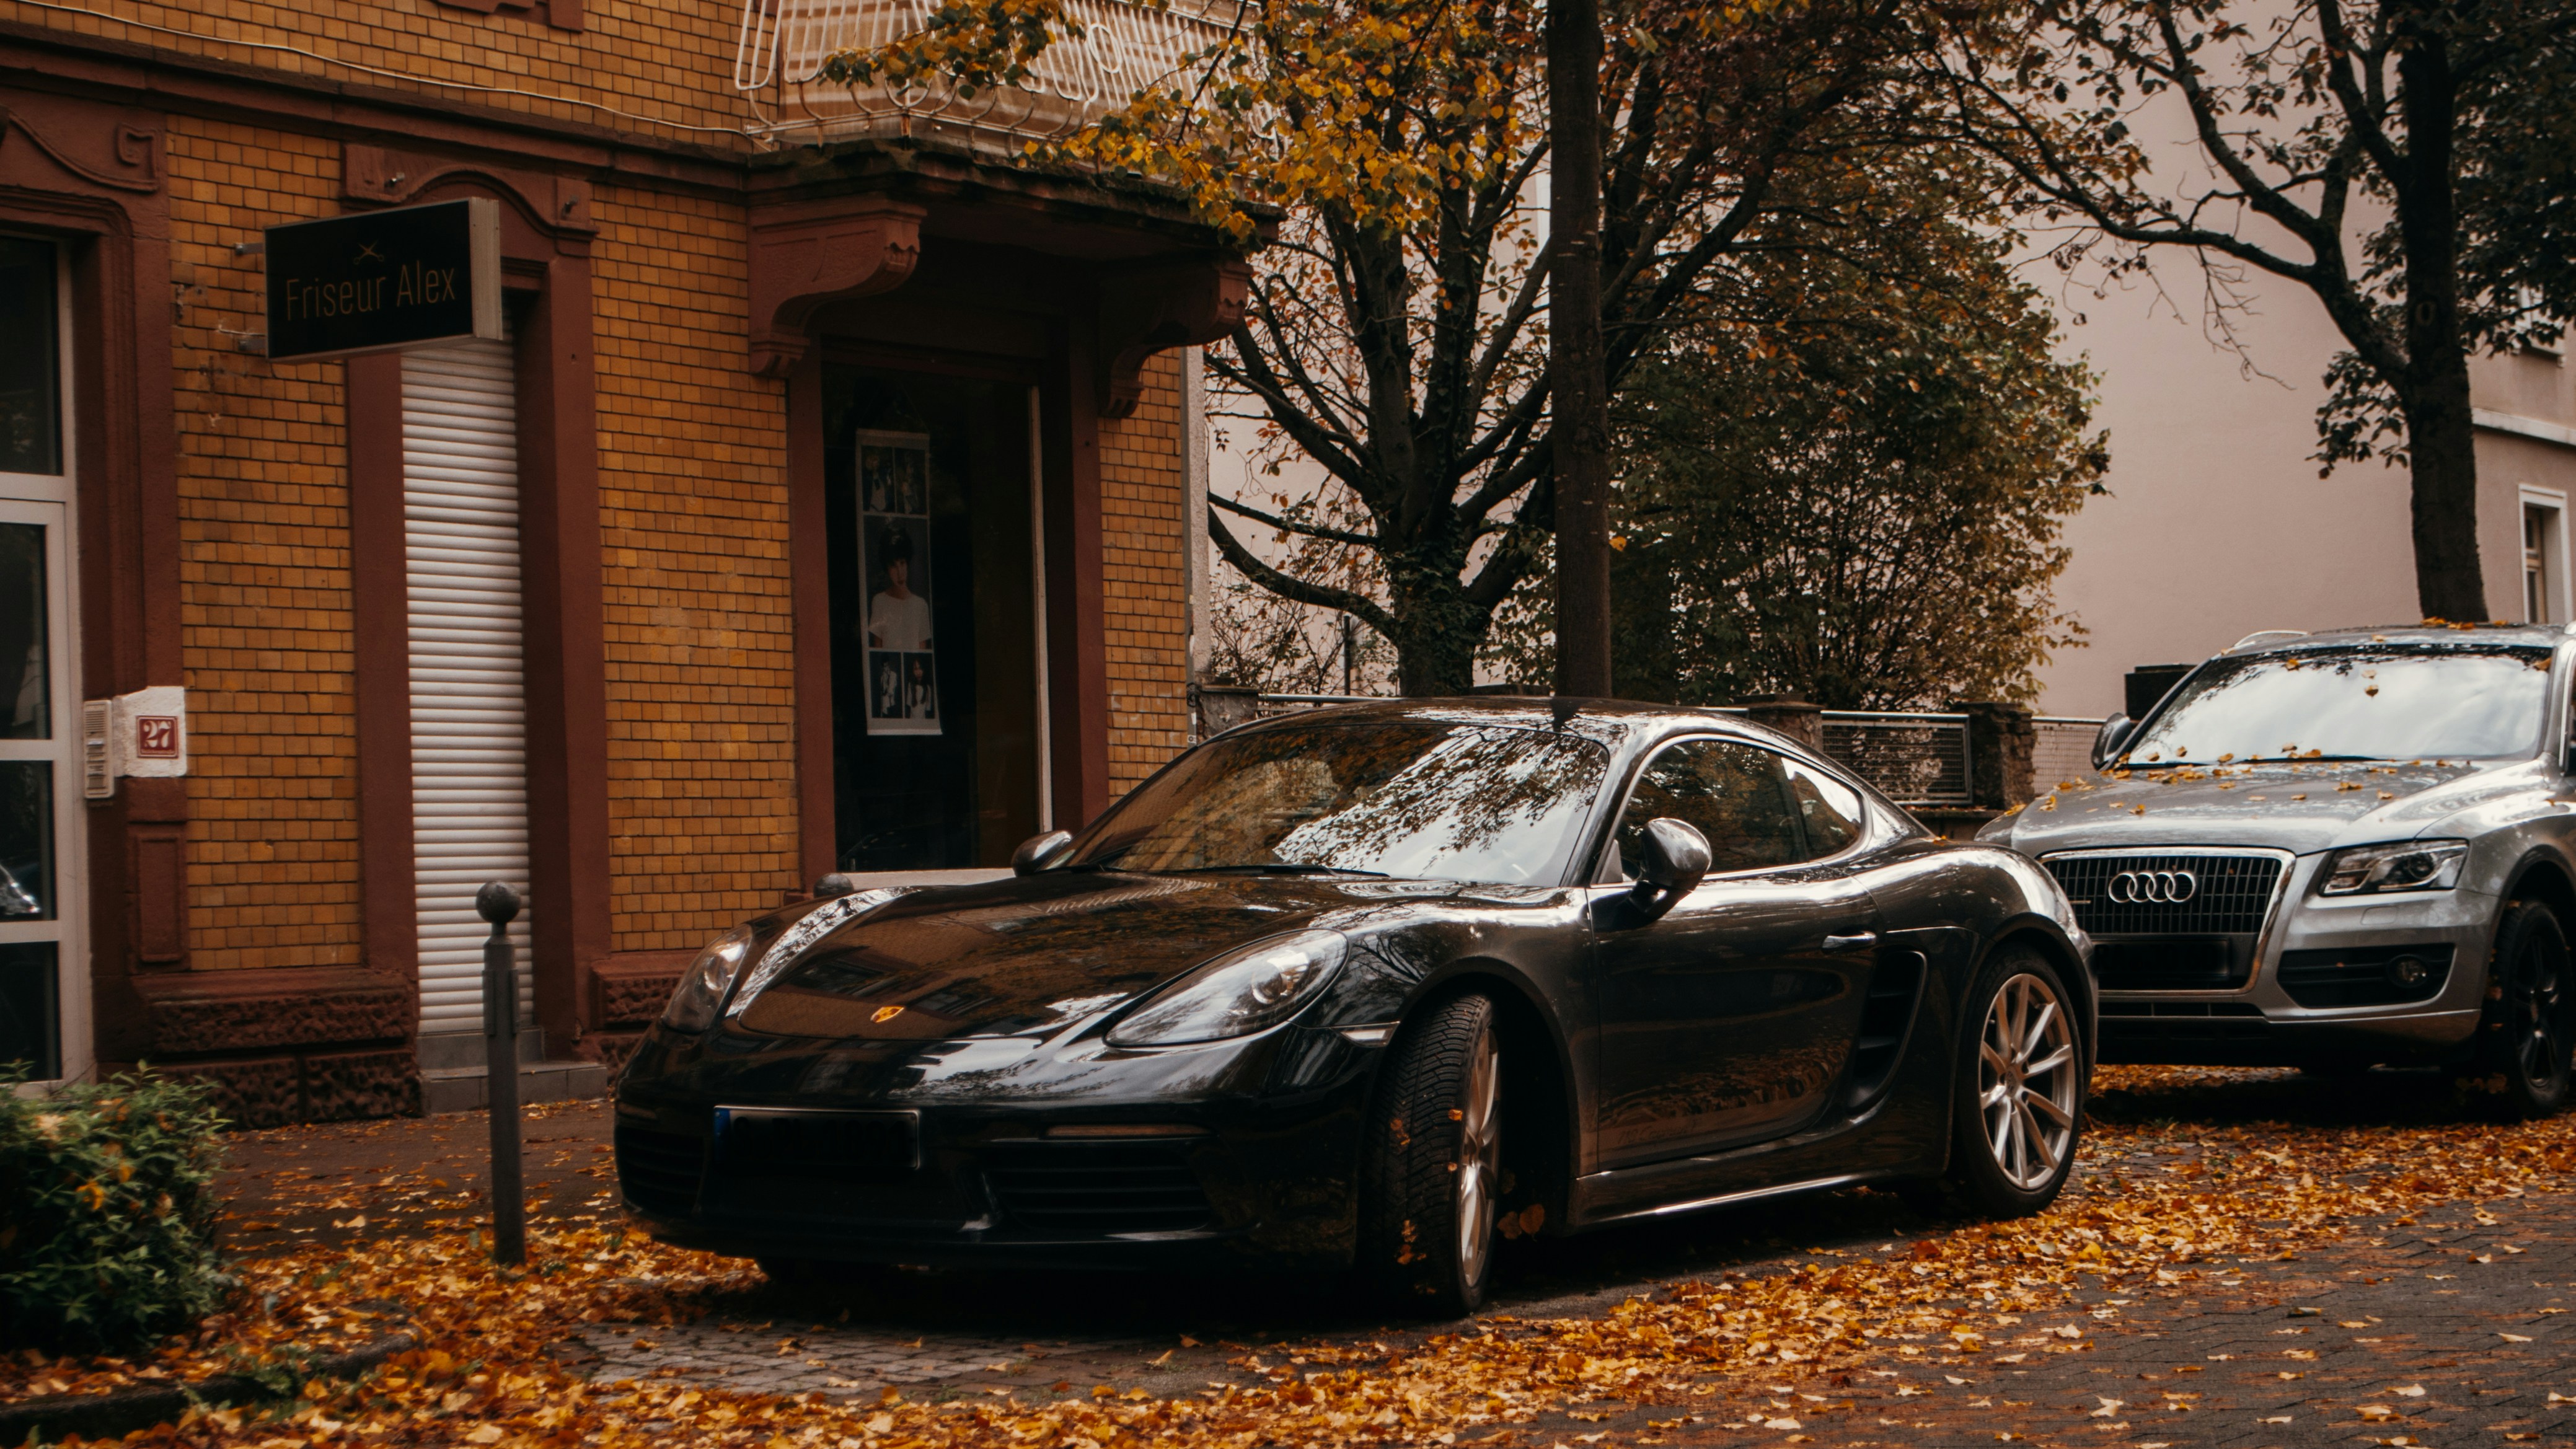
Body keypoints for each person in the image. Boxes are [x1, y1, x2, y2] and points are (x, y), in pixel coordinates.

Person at [868, 526, 932, 653]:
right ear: (887, 568)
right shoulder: (879, 601)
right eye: (893, 566)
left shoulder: (921, 606)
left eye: (902, 563)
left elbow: (922, 652)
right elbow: (878, 650)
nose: (899, 572)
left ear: (907, 563)